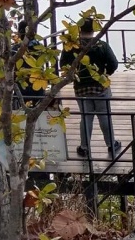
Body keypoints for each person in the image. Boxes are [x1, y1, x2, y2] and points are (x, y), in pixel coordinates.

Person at [60, 18, 121, 158]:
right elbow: (113, 63)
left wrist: (75, 75)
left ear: (79, 30)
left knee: (86, 117)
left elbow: (63, 64)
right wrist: (105, 74)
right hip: (100, 87)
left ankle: (84, 147)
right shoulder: (101, 45)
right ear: (94, 30)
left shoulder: (71, 46)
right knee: (104, 116)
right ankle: (111, 144)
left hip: (81, 88)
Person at [13, 20, 47, 102]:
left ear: (20, 33)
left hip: (22, 85)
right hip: (38, 83)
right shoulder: (40, 48)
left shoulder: (16, 49)